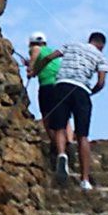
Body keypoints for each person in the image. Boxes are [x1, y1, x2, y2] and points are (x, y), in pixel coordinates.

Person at [37, 33, 108, 190]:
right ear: (101, 46)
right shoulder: (101, 57)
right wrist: (91, 92)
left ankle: (62, 153)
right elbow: (101, 82)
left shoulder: (72, 45)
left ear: (89, 40)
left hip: (62, 85)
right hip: (81, 90)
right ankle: (85, 180)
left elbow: (49, 58)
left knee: (59, 126)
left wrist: (35, 70)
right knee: (83, 135)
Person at [27, 31, 73, 168]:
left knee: (47, 115)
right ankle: (70, 141)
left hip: (47, 85)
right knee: (63, 116)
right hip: (60, 84)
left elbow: (34, 62)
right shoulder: (50, 51)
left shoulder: (35, 49)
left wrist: (30, 70)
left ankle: (56, 144)